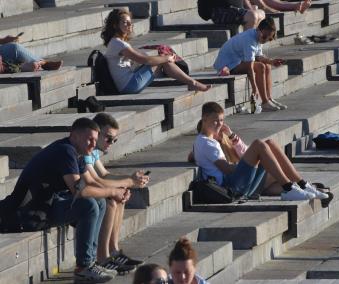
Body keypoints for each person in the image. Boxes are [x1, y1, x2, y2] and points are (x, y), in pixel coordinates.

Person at [0, 118, 128, 282]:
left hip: (48, 205)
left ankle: (91, 262)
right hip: (31, 213)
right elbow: (79, 190)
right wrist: (111, 191)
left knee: (100, 202)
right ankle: (84, 267)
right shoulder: (65, 151)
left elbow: (90, 182)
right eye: (89, 139)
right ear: (74, 136)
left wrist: (115, 192)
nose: (93, 144)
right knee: (88, 205)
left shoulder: (77, 152)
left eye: (95, 140)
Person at [193, 101, 330, 201]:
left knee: (269, 144)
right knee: (258, 144)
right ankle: (290, 188)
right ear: (204, 119)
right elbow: (227, 170)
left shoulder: (206, 141)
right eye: (215, 121)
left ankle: (303, 185)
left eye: (221, 120)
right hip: (231, 187)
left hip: (237, 184)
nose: (219, 124)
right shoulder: (206, 143)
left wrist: (251, 162)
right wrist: (250, 163)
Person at [83, 113, 149, 273]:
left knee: (119, 197)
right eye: (108, 138)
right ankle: (103, 257)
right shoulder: (84, 151)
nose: (111, 143)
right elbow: (96, 182)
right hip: (74, 195)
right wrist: (129, 182)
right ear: (96, 133)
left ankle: (114, 250)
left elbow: (104, 174)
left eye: (114, 140)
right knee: (112, 201)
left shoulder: (94, 151)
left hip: (85, 191)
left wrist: (129, 180)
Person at [101, 9, 211, 94]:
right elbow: (144, 60)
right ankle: (192, 82)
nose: (129, 25)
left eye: (130, 22)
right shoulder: (118, 43)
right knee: (163, 62)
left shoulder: (116, 42)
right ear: (115, 25)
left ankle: (190, 82)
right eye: (125, 23)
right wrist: (166, 58)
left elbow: (139, 58)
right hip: (129, 85)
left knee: (161, 59)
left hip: (127, 84)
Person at [213, 17, 287, 112]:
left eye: (270, 38)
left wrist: (272, 62)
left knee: (267, 65)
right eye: (265, 37)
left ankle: (268, 98)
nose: (265, 40)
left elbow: (259, 56)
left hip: (236, 61)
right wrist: (254, 88)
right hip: (226, 65)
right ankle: (264, 102)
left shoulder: (257, 35)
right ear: (259, 30)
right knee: (261, 67)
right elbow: (250, 68)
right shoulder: (249, 40)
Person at [197, 0, 265, 30]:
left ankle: (256, 51)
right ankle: (246, 52)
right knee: (252, 16)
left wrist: (250, 9)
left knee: (261, 13)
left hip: (234, 9)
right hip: (217, 11)